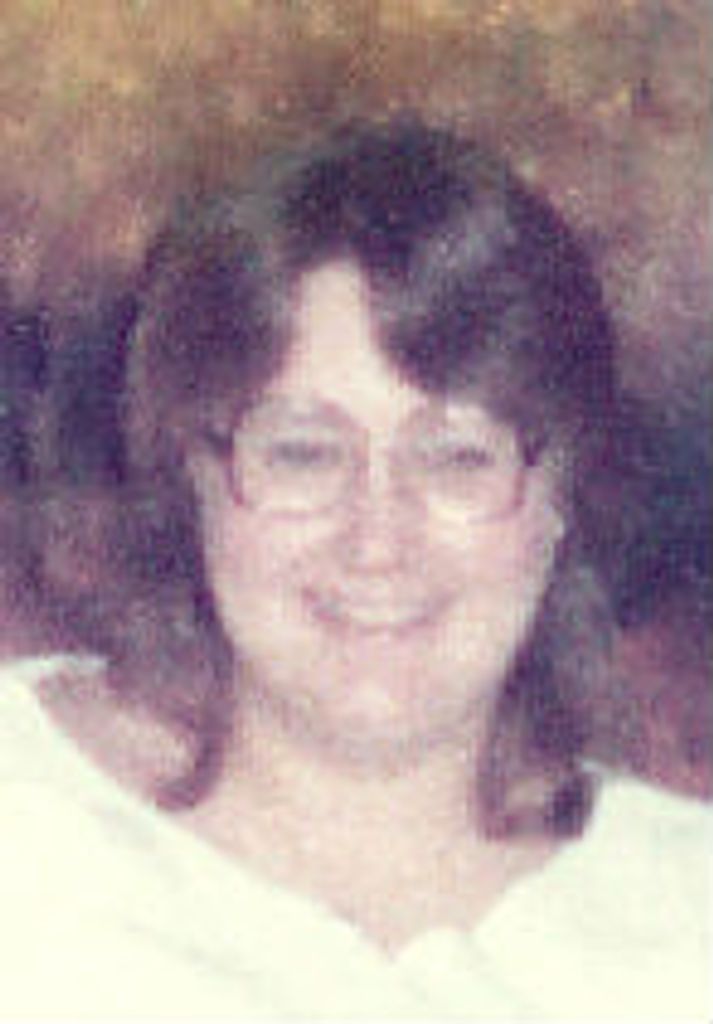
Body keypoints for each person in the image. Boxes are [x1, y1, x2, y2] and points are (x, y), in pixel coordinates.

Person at [0, 117, 709, 1019]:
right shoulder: (28, 818)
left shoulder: (683, 910)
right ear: (193, 475)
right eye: (302, 453)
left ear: (560, 493)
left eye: (457, 459)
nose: (377, 541)